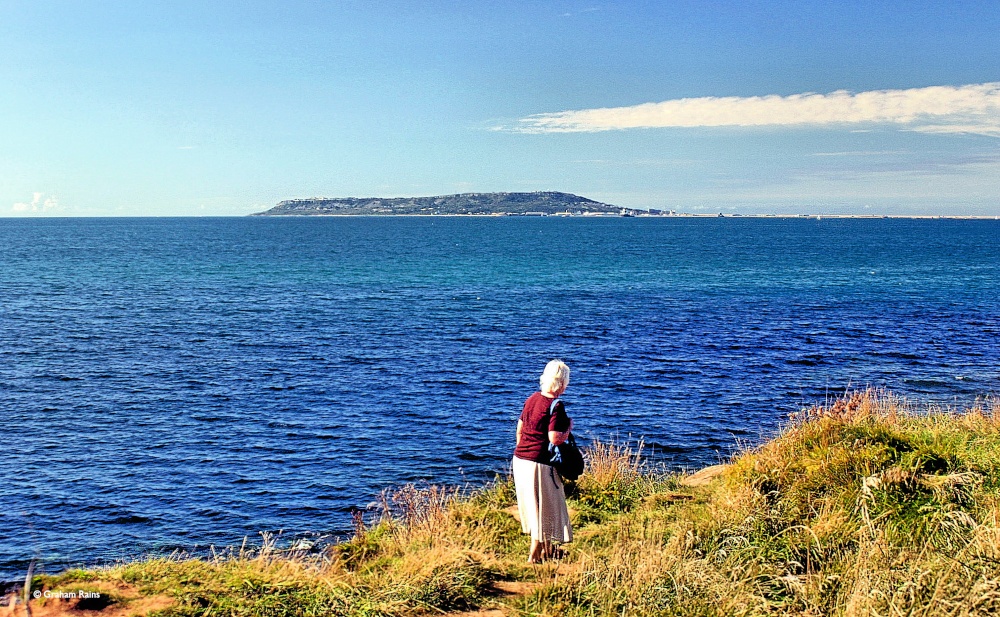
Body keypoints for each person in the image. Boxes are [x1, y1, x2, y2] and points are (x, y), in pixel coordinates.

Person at [512, 359, 574, 563]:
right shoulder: (556, 406)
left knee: (535, 507)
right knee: (547, 508)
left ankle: (548, 550)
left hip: (520, 459)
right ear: (563, 382)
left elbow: (520, 430)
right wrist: (568, 430)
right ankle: (535, 554)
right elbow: (554, 438)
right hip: (540, 463)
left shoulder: (532, 399)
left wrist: (525, 451)